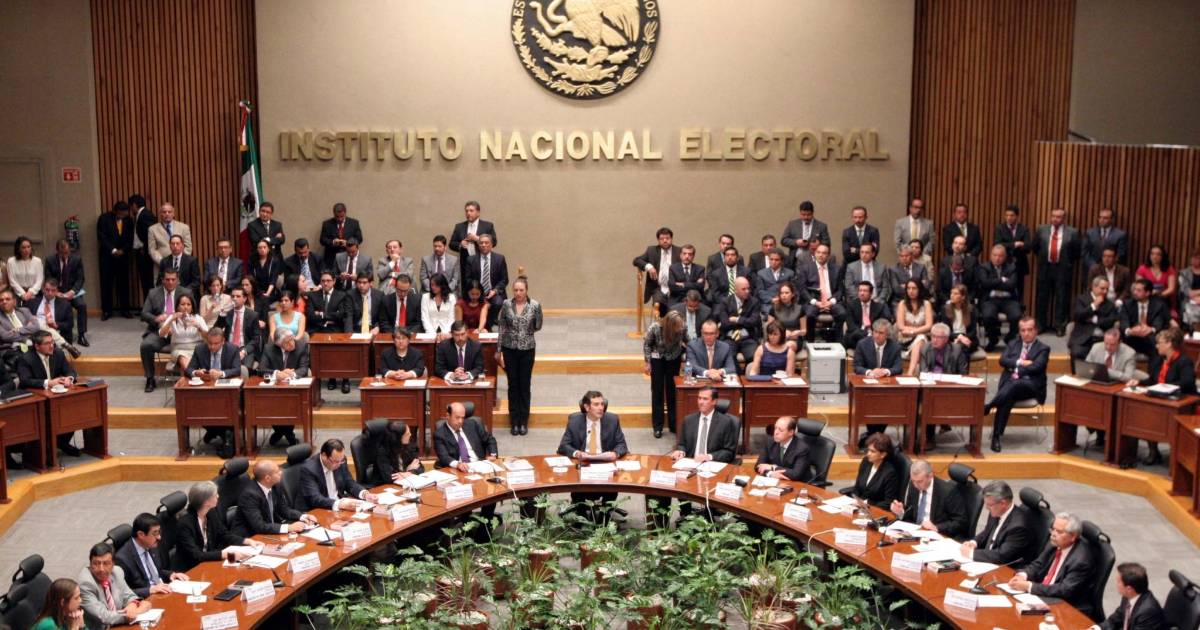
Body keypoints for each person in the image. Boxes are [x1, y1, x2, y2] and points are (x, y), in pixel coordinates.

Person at [1008, 512, 1098, 621]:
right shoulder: (1055, 543)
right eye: (1053, 529)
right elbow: (1038, 564)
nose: (1053, 534)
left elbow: (1064, 590)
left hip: (1064, 605)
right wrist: (1023, 575)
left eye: (1059, 531)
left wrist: (1029, 586)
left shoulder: (1081, 560)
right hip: (1044, 594)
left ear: (1073, 536)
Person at [1128, 329, 1198, 466]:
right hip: (1161, 398)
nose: (1156, 346)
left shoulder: (1184, 361)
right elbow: (1153, 380)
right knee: (1148, 414)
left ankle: (1179, 457)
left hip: (1183, 400)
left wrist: (1166, 387)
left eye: (1159, 343)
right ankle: (1153, 451)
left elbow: (1187, 382)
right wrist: (1139, 382)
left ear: (1169, 344)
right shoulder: (1159, 360)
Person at [557, 390, 629, 521]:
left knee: (612, 484)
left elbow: (622, 445)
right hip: (583, 464)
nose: (601, 408)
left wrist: (615, 453)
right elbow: (563, 446)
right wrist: (577, 453)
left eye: (602, 404)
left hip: (606, 464)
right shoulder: (574, 420)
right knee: (577, 484)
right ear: (586, 407)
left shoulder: (612, 419)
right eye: (596, 404)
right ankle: (581, 516)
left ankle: (605, 517)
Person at [984, 317, 1049, 452]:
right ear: (1019, 332)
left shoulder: (1043, 348)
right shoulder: (1013, 344)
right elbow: (1002, 360)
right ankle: (996, 436)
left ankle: (989, 406)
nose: (1026, 333)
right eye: (1023, 330)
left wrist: (1014, 367)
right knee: (1008, 396)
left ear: (1036, 331)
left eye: (1029, 330)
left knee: (1013, 385)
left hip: (1031, 386)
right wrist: (1021, 362)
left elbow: (1037, 367)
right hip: (1011, 386)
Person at [433, 402, 499, 530]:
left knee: (493, 491)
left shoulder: (472, 424)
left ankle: (485, 527)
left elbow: (490, 439)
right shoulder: (440, 434)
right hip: (459, 473)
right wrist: (457, 464)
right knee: (464, 496)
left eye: (462, 417)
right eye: (457, 417)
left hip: (480, 467)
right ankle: (466, 527)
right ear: (448, 416)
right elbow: (444, 457)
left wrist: (492, 455)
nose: (460, 421)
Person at [175, 481, 260, 570]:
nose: (218, 496)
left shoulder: (210, 513)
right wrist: (224, 554)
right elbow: (196, 555)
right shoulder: (185, 524)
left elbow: (224, 535)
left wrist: (246, 541)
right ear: (206, 502)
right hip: (192, 568)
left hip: (209, 562)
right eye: (215, 495)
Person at [497, 277, 542, 436]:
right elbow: (501, 327)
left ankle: (523, 421)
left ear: (526, 290)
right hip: (509, 349)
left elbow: (538, 326)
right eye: (515, 290)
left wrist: (524, 334)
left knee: (524, 385)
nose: (518, 293)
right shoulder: (506, 304)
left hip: (527, 349)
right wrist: (498, 350)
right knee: (513, 385)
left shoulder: (535, 305)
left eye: (521, 290)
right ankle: (514, 421)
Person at [231, 459, 319, 537]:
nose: (281, 472)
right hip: (250, 537)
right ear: (267, 478)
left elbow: (283, 509)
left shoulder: (276, 485)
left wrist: (303, 516)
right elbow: (259, 526)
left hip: (269, 531)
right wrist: (289, 527)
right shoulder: (250, 495)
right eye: (277, 472)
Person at [960, 480, 1039, 566]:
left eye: (989, 505)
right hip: (990, 558)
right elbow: (987, 531)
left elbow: (1002, 556)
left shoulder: (1019, 527)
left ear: (1003, 503)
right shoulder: (996, 510)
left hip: (1006, 567)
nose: (986, 508)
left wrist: (971, 553)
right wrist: (974, 542)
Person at [138, 269, 193, 392]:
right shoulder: (153, 293)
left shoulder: (186, 292)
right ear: (162, 280)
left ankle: (191, 377)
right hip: (160, 331)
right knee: (146, 345)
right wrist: (156, 319)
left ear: (178, 280)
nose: (170, 282)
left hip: (180, 331)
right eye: (167, 279)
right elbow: (144, 314)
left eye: (173, 279)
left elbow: (193, 311)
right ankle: (150, 378)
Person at [916, 324, 969, 447]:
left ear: (946, 339)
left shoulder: (956, 350)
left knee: (934, 400)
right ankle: (926, 436)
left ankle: (932, 434)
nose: (934, 340)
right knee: (928, 399)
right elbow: (923, 371)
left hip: (950, 387)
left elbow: (963, 373)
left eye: (938, 337)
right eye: (932, 336)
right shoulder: (925, 348)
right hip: (930, 387)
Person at [889, 459, 967, 539]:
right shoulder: (913, 486)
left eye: (919, 481)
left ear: (930, 476)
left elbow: (960, 522)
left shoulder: (948, 491)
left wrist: (937, 527)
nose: (915, 485)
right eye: (913, 481)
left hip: (937, 536)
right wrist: (901, 513)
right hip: (915, 533)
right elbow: (911, 513)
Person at [853, 320, 904, 444]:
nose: (877, 335)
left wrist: (885, 371)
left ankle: (875, 436)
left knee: (885, 406)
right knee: (869, 405)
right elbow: (857, 366)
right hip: (868, 387)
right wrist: (870, 372)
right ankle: (874, 435)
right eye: (875, 332)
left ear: (887, 334)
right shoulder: (862, 344)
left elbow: (898, 368)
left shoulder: (895, 347)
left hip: (886, 387)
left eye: (881, 333)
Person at [77, 543, 149, 630]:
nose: (101, 569)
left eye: (106, 563)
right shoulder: (85, 583)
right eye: (96, 563)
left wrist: (133, 605)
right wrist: (132, 614)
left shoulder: (117, 572)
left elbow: (129, 596)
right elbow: (103, 616)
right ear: (90, 563)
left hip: (120, 626)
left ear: (113, 564)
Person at [115, 513, 187, 598]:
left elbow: (156, 571)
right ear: (141, 535)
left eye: (159, 532)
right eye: (155, 533)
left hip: (163, 591)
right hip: (146, 598)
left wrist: (171, 574)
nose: (159, 537)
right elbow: (123, 592)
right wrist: (150, 590)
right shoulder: (123, 559)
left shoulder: (151, 544)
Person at [1033, 208, 1081, 336]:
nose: (1055, 219)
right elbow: (1036, 248)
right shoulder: (1041, 229)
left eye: (1058, 217)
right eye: (1053, 216)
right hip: (1045, 268)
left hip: (1062, 268)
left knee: (1062, 298)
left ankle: (1060, 325)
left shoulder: (1073, 232)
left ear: (1064, 219)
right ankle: (1040, 325)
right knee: (1042, 297)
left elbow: (1076, 252)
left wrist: (1066, 262)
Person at [259, 328, 310, 445]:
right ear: (279, 344)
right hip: (274, 390)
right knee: (272, 403)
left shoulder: (301, 346)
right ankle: (288, 433)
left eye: (292, 339)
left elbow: (304, 368)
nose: (292, 343)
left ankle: (280, 432)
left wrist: (291, 374)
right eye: (288, 342)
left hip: (293, 389)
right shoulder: (269, 349)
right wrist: (277, 373)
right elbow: (261, 369)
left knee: (290, 403)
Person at [296, 438, 378, 511]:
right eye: (335, 461)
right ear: (324, 456)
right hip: (319, 510)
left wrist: (365, 494)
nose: (339, 464)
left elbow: (349, 482)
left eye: (341, 461)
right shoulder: (308, 469)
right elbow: (315, 498)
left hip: (338, 507)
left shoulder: (340, 460)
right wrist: (339, 504)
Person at [642, 309, 686, 439]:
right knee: (657, 391)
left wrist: (687, 359)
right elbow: (647, 345)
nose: (680, 329)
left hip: (674, 358)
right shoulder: (655, 328)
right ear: (670, 325)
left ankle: (673, 424)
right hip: (658, 358)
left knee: (672, 391)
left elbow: (689, 342)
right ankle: (658, 426)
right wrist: (648, 362)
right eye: (677, 326)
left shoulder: (682, 328)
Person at [1092, 562, 1167, 630]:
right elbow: (1116, 618)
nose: (1116, 584)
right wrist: (1097, 628)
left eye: (1118, 582)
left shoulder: (1147, 612)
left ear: (1129, 589)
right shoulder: (1128, 596)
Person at [977, 244, 1023, 351]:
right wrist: (1001, 280)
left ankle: (1009, 337)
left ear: (1005, 257)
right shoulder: (984, 267)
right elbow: (984, 283)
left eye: (1000, 256)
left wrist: (993, 283)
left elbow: (1011, 285)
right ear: (990, 255)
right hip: (991, 300)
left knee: (1017, 316)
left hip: (1008, 300)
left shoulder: (1012, 267)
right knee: (988, 316)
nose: (997, 258)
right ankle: (993, 339)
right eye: (995, 255)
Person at [797, 244, 845, 342]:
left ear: (828, 255)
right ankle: (810, 342)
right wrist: (815, 302)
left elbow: (840, 289)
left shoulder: (837, 269)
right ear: (814, 254)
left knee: (842, 313)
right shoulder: (805, 268)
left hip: (831, 301)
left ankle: (838, 342)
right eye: (818, 252)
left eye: (824, 253)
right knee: (809, 314)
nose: (820, 255)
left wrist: (831, 301)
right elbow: (802, 289)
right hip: (813, 301)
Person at [44, 239, 88, 346]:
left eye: (67, 252)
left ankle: (81, 335)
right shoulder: (50, 260)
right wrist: (56, 292)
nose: (65, 255)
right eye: (62, 253)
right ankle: (62, 333)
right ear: (57, 251)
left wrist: (72, 291)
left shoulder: (76, 259)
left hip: (72, 292)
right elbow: (48, 279)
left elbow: (80, 279)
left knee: (82, 305)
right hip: (56, 292)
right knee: (62, 307)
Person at [96, 200, 135, 320]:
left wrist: (123, 250)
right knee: (106, 284)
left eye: (125, 213)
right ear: (115, 211)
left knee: (124, 284)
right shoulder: (104, 219)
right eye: (121, 213)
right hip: (107, 257)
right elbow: (101, 236)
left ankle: (125, 310)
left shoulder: (129, 220)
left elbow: (130, 238)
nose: (123, 216)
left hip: (123, 257)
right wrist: (113, 250)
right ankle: (106, 311)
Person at [845, 432, 901, 510]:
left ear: (883, 454)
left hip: (875, 510)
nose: (868, 454)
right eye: (868, 450)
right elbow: (857, 487)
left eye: (872, 451)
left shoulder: (890, 473)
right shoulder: (866, 462)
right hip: (858, 507)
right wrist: (855, 499)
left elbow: (888, 503)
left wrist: (866, 503)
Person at [1068, 276, 1119, 361]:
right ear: (1094, 287)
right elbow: (1078, 316)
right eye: (1102, 288)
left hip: (1102, 339)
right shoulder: (1081, 299)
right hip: (1082, 338)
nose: (1105, 291)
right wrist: (1093, 306)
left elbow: (1111, 321)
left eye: (1107, 289)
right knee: (1077, 353)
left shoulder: (1110, 304)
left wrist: (1095, 320)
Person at [633, 227, 681, 316]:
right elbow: (636, 260)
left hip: (675, 287)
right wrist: (649, 266)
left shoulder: (679, 251)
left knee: (674, 311)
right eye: (662, 239)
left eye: (667, 238)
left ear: (671, 239)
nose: (665, 241)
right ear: (658, 240)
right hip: (658, 288)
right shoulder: (651, 250)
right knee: (659, 306)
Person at [716, 276, 762, 365]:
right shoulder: (725, 302)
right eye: (743, 289)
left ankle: (748, 372)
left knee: (753, 356)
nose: (747, 291)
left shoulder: (754, 302)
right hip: (729, 338)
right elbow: (725, 324)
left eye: (748, 288)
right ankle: (738, 373)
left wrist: (737, 319)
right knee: (728, 357)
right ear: (735, 290)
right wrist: (745, 321)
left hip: (747, 338)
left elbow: (754, 322)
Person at [30, 280, 82, 358]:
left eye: (53, 290)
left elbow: (70, 324)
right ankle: (65, 344)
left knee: (42, 324)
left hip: (55, 332)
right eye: (47, 290)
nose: (50, 293)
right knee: (39, 322)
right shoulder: (32, 302)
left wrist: (56, 325)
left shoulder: (65, 304)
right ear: (43, 289)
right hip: (36, 333)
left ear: (57, 291)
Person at [157, 293, 206, 375]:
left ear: (192, 307)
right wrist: (171, 320)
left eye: (188, 304)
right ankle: (194, 373)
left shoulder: (198, 318)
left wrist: (199, 327)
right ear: (178, 307)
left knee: (185, 366)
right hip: (178, 349)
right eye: (182, 304)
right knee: (182, 357)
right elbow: (161, 334)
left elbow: (208, 337)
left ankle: (189, 378)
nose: (185, 307)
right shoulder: (172, 318)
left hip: (196, 348)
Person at [1119, 279, 1170, 357]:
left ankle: (1154, 363)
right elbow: (1124, 321)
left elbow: (1158, 322)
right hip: (1132, 336)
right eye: (1135, 290)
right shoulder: (1127, 304)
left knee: (1155, 341)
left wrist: (1150, 329)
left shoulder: (1158, 305)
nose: (1135, 292)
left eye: (1139, 290)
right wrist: (1129, 330)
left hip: (1150, 337)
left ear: (1147, 293)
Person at [755, 416, 812, 482]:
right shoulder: (769, 442)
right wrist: (770, 474)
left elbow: (795, 474)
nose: (776, 432)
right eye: (775, 428)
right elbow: (758, 465)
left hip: (799, 484)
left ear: (791, 432)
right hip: (778, 482)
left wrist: (773, 467)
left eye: (781, 430)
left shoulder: (802, 448)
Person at [895, 279, 934, 375]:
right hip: (905, 339)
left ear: (919, 289)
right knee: (920, 338)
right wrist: (919, 330)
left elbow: (929, 326)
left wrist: (913, 331)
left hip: (922, 337)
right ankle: (913, 372)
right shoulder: (902, 304)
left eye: (914, 288)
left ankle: (910, 373)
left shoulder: (926, 304)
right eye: (908, 288)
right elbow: (900, 326)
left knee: (921, 338)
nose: (911, 291)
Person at [449, 199, 498, 272]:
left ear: (478, 213)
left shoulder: (487, 226)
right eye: (466, 211)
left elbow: (494, 242)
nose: (468, 213)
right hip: (465, 264)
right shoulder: (459, 227)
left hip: (483, 263)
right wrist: (460, 244)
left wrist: (478, 239)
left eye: (471, 211)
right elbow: (451, 244)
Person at [370, 420, 424, 484]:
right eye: (407, 434)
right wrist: (407, 471)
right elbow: (390, 478)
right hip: (383, 486)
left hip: (404, 483)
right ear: (397, 438)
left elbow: (421, 468)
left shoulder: (409, 446)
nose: (410, 434)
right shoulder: (382, 452)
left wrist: (410, 472)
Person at [222, 285, 262, 371]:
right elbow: (216, 330)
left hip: (245, 348)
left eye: (238, 296)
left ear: (244, 299)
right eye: (233, 296)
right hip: (228, 348)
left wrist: (244, 351)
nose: (234, 299)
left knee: (245, 370)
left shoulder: (252, 315)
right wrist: (222, 314)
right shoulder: (227, 313)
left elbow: (256, 338)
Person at [466, 234, 508, 313]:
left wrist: (495, 290)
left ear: (491, 245)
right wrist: (476, 290)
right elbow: (468, 279)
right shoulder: (471, 260)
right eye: (481, 243)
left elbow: (504, 279)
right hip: (476, 292)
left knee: (498, 302)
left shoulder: (500, 259)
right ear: (478, 245)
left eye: (486, 243)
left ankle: (491, 319)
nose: (483, 245)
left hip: (494, 292)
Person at [844, 282, 890, 351]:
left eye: (865, 291)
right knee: (855, 335)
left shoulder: (878, 307)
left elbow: (881, 325)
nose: (862, 293)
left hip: (874, 336)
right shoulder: (851, 305)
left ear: (871, 293)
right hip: (856, 336)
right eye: (860, 290)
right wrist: (867, 334)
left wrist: (873, 334)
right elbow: (851, 326)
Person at [146, 202, 192, 269]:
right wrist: (163, 262)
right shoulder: (152, 229)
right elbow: (152, 250)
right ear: (160, 214)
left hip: (181, 267)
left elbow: (188, 247)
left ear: (173, 214)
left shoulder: (184, 227)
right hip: (161, 267)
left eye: (169, 212)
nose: (167, 214)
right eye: (164, 212)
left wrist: (180, 261)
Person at [994, 204, 1032, 286]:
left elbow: (1028, 247)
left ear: (1017, 216)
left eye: (1011, 215)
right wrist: (1015, 244)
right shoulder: (1000, 228)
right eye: (1007, 215)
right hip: (1004, 263)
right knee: (1004, 286)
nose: (1009, 218)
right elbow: (997, 245)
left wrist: (1007, 245)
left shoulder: (1024, 229)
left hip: (1020, 264)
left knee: (1019, 289)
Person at [1135, 244, 1178, 316]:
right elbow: (1140, 286)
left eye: (1158, 254)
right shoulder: (1142, 269)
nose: (1155, 257)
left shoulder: (1169, 269)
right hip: (1146, 297)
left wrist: (1159, 294)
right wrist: (1150, 293)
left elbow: (1171, 289)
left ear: (1162, 256)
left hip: (1165, 298)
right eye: (1152, 254)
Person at [1082, 207, 1128, 272]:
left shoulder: (1120, 235)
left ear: (1112, 219)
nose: (1101, 220)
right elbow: (1084, 252)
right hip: (1091, 269)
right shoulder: (1090, 233)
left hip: (1111, 270)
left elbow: (1121, 254)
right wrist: (1093, 266)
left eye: (1105, 218)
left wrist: (1107, 265)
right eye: (1100, 217)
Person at [319, 202, 363, 268]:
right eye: (337, 217)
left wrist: (348, 243)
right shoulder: (327, 224)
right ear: (334, 214)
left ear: (345, 213)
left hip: (349, 257)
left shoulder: (354, 223)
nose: (340, 219)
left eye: (342, 216)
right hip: (331, 258)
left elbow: (359, 239)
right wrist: (333, 242)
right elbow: (322, 240)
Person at [130, 195, 157, 299]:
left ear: (134, 205)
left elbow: (150, 234)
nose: (131, 209)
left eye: (131, 206)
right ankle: (147, 304)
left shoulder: (145, 215)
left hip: (145, 253)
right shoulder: (141, 214)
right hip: (141, 252)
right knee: (145, 281)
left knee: (147, 281)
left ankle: (150, 305)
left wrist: (144, 247)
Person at [768, 281, 807, 353]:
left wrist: (798, 332)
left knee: (789, 345)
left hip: (794, 339)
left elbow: (804, 331)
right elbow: (769, 328)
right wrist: (782, 333)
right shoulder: (773, 309)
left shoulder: (800, 309)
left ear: (792, 294)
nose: (784, 295)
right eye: (781, 293)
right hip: (778, 338)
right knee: (779, 345)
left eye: (786, 293)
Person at [939, 284, 978, 352]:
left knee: (962, 347)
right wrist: (959, 337)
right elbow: (946, 331)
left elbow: (973, 331)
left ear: (963, 297)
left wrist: (963, 338)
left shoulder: (971, 310)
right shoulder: (945, 309)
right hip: (951, 338)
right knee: (958, 348)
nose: (952, 296)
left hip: (968, 338)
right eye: (951, 293)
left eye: (955, 294)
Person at [7, 236, 43, 306]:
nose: (26, 250)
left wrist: (30, 292)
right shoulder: (11, 261)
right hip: (17, 293)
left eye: (28, 247)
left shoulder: (37, 261)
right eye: (23, 247)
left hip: (34, 292)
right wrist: (23, 294)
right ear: (18, 249)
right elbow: (12, 281)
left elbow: (39, 280)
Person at [421, 273, 456, 339]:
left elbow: (452, 318)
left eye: (436, 285)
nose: (433, 287)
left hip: (447, 332)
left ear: (442, 285)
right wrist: (432, 333)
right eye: (432, 285)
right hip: (430, 332)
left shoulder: (451, 297)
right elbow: (425, 318)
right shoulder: (425, 297)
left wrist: (444, 333)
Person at [247, 239, 282, 304]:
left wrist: (267, 294)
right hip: (256, 290)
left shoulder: (274, 261)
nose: (262, 249)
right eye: (260, 248)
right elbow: (250, 279)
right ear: (257, 249)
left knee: (263, 301)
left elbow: (273, 280)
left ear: (268, 249)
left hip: (270, 291)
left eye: (264, 247)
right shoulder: (252, 260)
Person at [1181, 250, 1200, 329]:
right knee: (1191, 312)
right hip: (1189, 301)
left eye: (1197, 258)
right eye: (1192, 257)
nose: (1194, 260)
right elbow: (1187, 292)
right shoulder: (1184, 273)